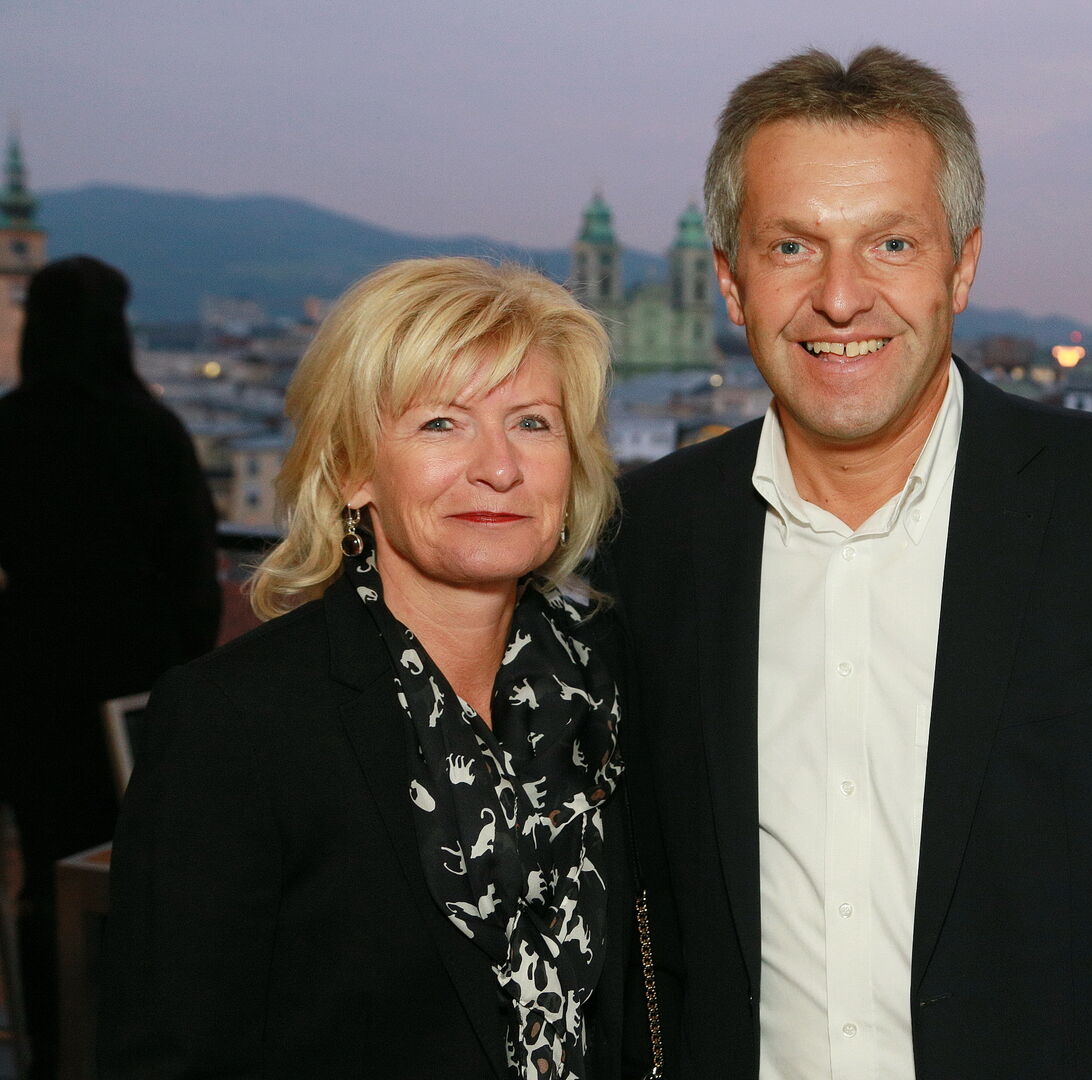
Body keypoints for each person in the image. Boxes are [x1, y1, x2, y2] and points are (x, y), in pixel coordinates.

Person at [601, 47, 1092, 1079]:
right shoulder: (651, 534)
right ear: (731, 282)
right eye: (792, 246)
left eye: (891, 243)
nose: (842, 297)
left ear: (961, 267)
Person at [99, 257, 641, 1080]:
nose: (499, 467)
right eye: (442, 424)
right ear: (355, 470)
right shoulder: (237, 722)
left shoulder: (610, 687)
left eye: (533, 423)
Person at [0, 255, 220, 1079]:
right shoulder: (150, 428)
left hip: (33, 673)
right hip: (137, 674)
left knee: (46, 862)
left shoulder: (11, 426)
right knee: (143, 870)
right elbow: (193, 569)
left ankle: (53, 1044)